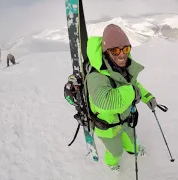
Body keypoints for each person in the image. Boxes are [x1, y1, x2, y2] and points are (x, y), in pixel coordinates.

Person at [64, 24, 158, 171]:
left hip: (126, 119)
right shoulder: (96, 76)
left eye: (126, 49)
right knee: (116, 151)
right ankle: (112, 164)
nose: (122, 55)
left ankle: (134, 150)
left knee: (132, 141)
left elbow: (134, 84)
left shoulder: (124, 66)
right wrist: (133, 93)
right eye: (115, 50)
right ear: (106, 51)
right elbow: (105, 102)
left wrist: (147, 96)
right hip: (107, 128)